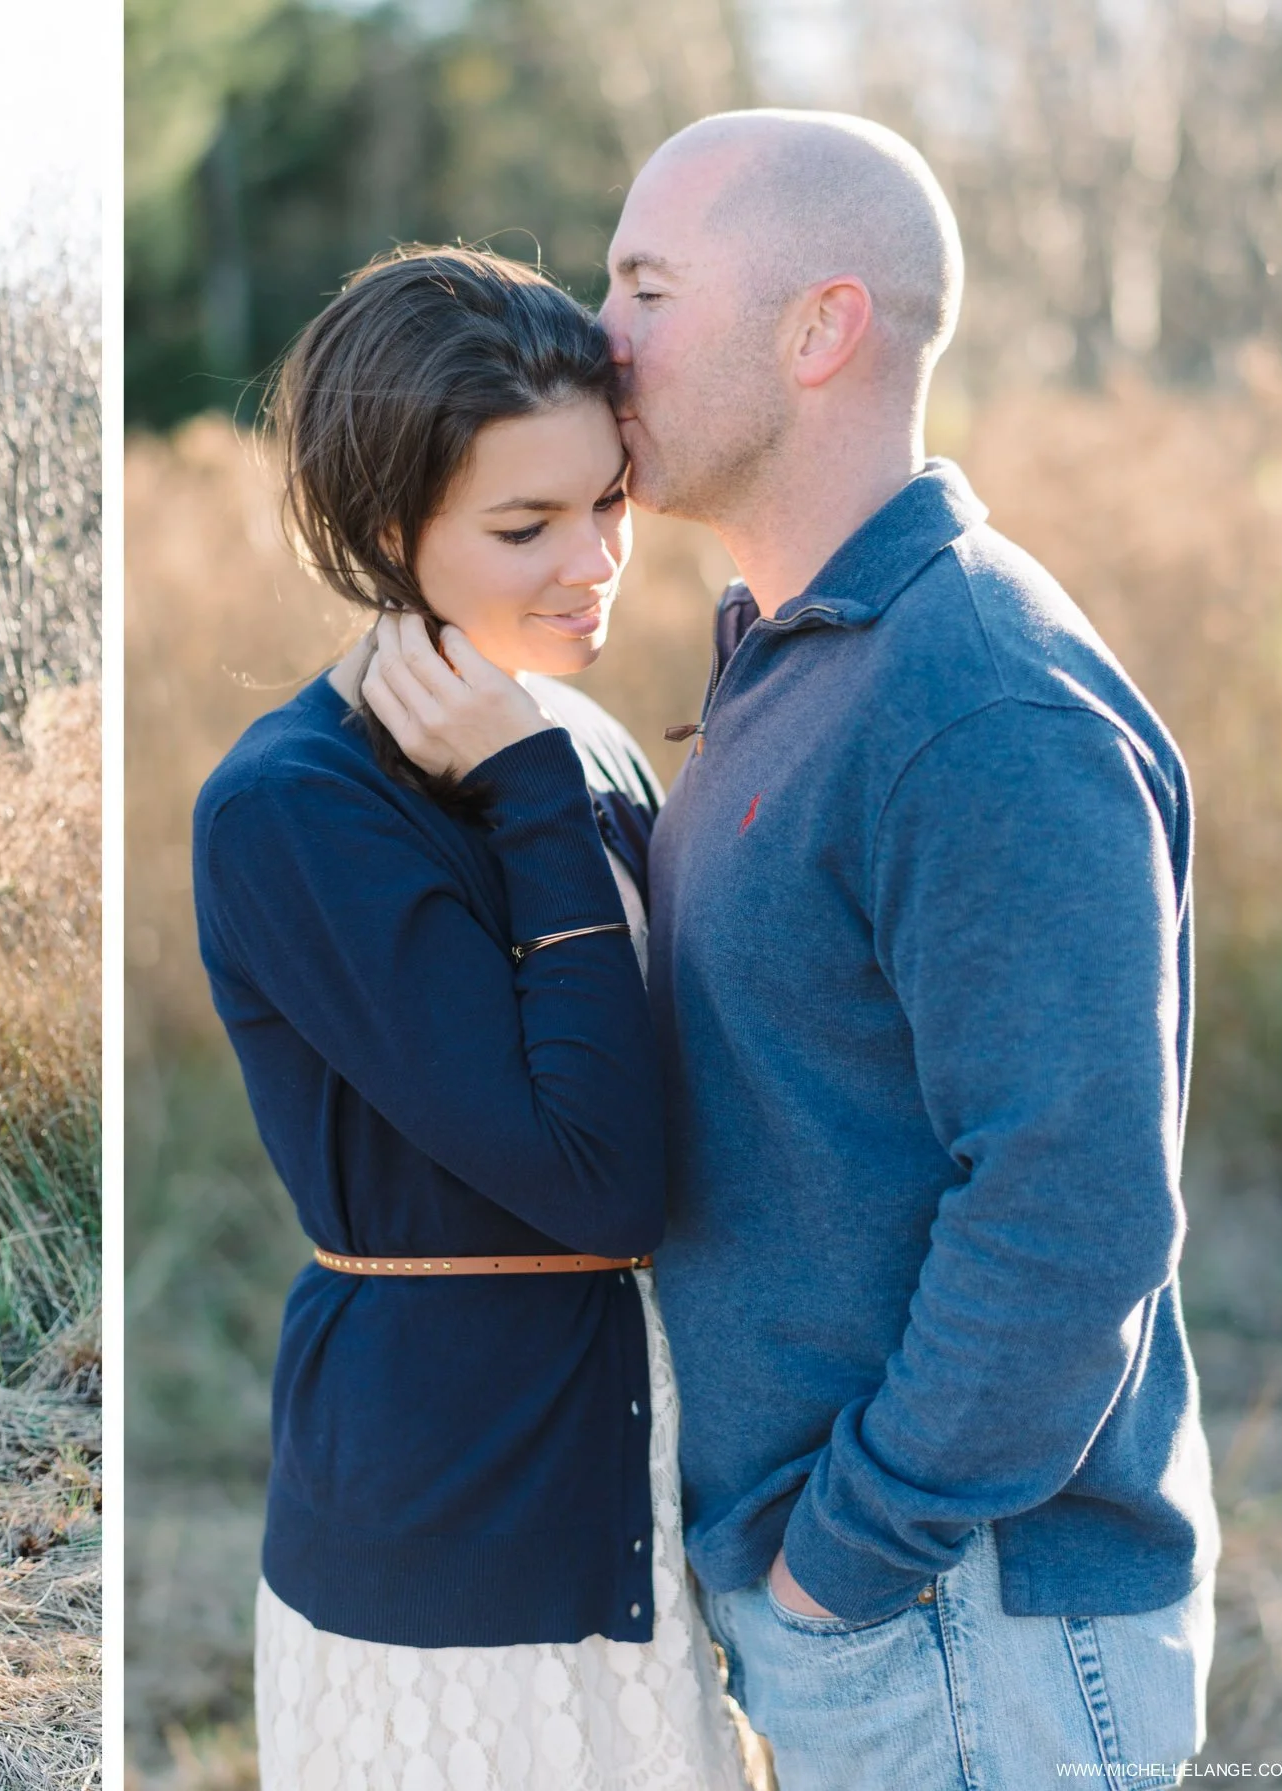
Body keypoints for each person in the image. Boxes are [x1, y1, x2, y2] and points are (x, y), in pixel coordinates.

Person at [603, 110, 1219, 1791]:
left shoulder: (972, 694)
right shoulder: (800, 667)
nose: (601, 341)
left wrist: (840, 1565)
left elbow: (1070, 1205)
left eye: (647, 285)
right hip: (890, 1621)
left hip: (963, 1625)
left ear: (819, 328)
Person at [194, 246, 750, 1790]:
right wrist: (521, 798)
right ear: (389, 531)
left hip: (643, 1480)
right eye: (525, 525)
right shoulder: (290, 808)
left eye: (609, 502)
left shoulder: (571, 735)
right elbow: (595, 1172)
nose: (592, 559)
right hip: (458, 1524)